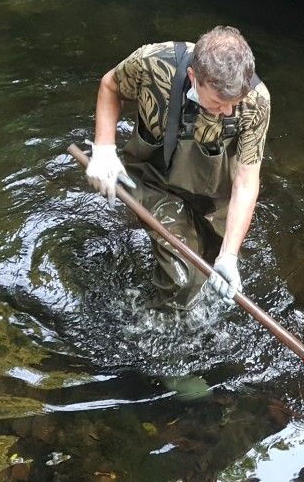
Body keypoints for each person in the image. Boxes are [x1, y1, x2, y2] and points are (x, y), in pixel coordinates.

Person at [85, 26, 270, 309]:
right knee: (184, 283)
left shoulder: (257, 102)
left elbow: (246, 182)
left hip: (215, 197)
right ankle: (154, 322)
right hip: (156, 181)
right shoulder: (152, 63)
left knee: (220, 271)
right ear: (194, 78)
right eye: (219, 103)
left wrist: (228, 256)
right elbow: (110, 85)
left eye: (235, 103)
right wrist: (104, 149)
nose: (229, 112)